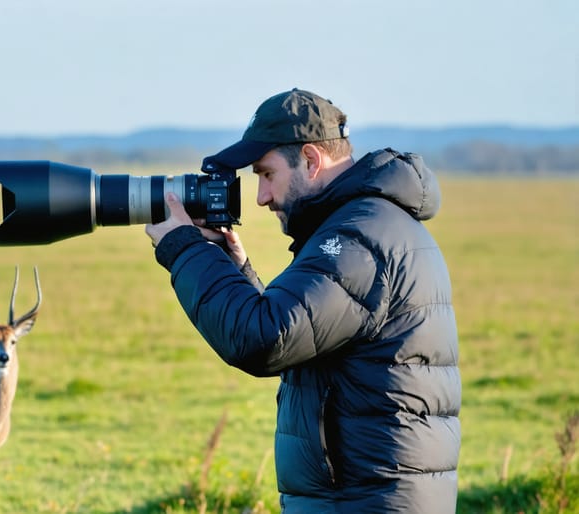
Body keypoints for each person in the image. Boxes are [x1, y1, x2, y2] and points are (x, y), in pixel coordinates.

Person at [145, 88, 460, 513]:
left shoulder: (358, 238)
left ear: (310, 160)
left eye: (266, 174)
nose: (260, 197)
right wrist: (235, 270)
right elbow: (303, 340)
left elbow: (264, 339)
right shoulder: (367, 226)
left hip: (364, 502)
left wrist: (184, 248)